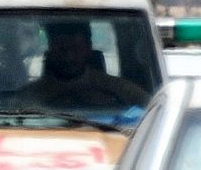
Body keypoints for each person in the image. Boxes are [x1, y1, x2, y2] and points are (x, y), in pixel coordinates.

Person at [18, 22, 149, 109]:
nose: (69, 56)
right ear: (50, 50)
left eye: (76, 49)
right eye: (62, 49)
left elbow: (150, 110)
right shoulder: (30, 97)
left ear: (88, 49)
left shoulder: (122, 90)